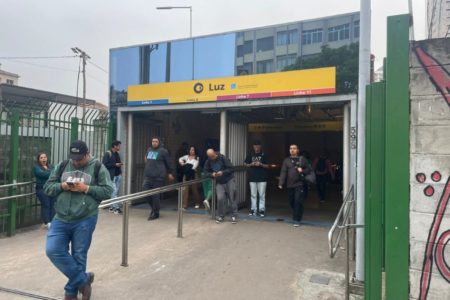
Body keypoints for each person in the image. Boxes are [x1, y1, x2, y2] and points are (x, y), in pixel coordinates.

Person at [44, 140, 113, 300]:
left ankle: (70, 293)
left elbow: (108, 190)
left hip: (85, 218)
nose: (76, 162)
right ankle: (83, 280)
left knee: (79, 255)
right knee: (53, 250)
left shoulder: (97, 167)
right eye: (74, 158)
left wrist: (87, 188)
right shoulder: (63, 165)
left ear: (87, 154)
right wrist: (62, 186)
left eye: (80, 158)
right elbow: (48, 187)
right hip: (61, 218)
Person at [278, 144, 312, 227]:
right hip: (290, 185)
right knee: (291, 201)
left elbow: (309, 169)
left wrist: (302, 170)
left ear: (297, 150)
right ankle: (299, 211)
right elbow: (283, 172)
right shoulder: (286, 160)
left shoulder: (302, 159)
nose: (292, 150)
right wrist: (280, 183)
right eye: (291, 148)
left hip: (299, 183)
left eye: (294, 148)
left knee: (297, 201)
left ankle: (296, 220)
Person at [143, 136, 175, 220]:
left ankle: (155, 213)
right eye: (153, 141)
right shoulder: (149, 149)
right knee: (145, 193)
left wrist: (170, 173)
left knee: (155, 195)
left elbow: (169, 163)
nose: (154, 143)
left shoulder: (163, 151)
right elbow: (146, 157)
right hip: (148, 176)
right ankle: (154, 209)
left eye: (156, 141)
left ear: (159, 142)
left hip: (158, 177)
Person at [203, 149, 238, 224]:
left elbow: (232, 168)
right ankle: (221, 216)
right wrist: (211, 174)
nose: (212, 158)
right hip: (219, 182)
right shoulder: (208, 161)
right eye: (210, 157)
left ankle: (234, 215)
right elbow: (205, 172)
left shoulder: (223, 158)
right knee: (220, 198)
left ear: (214, 153)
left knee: (232, 197)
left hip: (229, 180)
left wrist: (223, 172)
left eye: (213, 156)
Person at [244, 140, 269, 217]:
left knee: (262, 195)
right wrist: (251, 164)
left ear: (260, 146)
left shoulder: (264, 154)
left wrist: (261, 164)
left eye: (258, 145)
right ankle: (253, 210)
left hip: (262, 178)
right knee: (253, 195)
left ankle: (262, 210)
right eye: (255, 145)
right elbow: (245, 163)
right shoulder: (250, 154)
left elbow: (268, 166)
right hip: (252, 177)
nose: (256, 147)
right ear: (253, 146)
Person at [33, 152, 55, 228]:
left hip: (51, 188)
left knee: (53, 205)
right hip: (42, 189)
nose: (43, 159)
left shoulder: (51, 166)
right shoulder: (36, 167)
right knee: (46, 204)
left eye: (44, 157)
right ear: (39, 159)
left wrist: (47, 171)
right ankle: (47, 222)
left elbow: (55, 173)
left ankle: (52, 221)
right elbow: (42, 174)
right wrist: (49, 172)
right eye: (41, 158)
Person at [102, 140, 123, 214]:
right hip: (111, 176)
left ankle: (111, 207)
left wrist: (120, 171)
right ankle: (116, 208)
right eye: (119, 145)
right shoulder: (108, 154)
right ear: (115, 146)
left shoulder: (117, 153)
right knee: (114, 192)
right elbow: (104, 164)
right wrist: (115, 164)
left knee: (115, 192)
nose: (120, 147)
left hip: (118, 175)